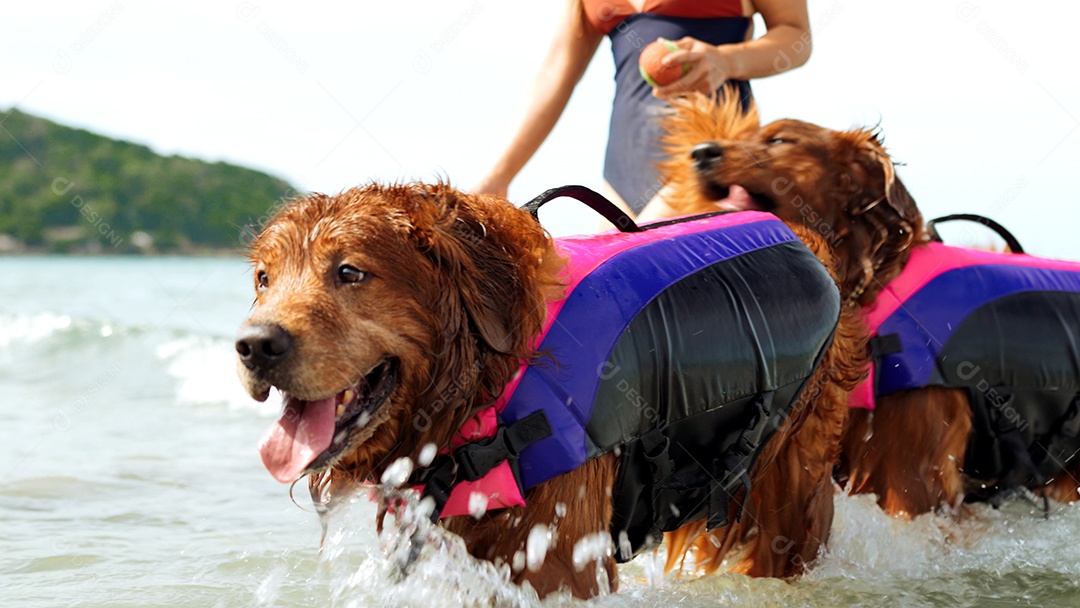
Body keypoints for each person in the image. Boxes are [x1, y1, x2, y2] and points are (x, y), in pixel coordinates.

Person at [473, 0, 812, 222]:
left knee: (656, 298)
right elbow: (556, 73)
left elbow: (797, 36)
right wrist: (498, 177)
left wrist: (726, 60)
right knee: (611, 310)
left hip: (708, 162)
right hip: (620, 174)